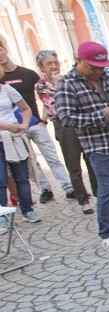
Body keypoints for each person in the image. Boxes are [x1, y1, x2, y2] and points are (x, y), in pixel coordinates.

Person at [55, 41, 109, 253]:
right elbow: (66, 118)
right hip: (98, 146)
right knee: (108, 190)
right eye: (94, 67)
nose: (99, 71)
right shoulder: (67, 83)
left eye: (102, 67)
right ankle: (107, 233)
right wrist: (102, 115)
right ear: (79, 61)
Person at [0, 37, 73, 204]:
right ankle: (45, 189)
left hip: (35, 123)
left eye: (0, 50)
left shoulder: (27, 73)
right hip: (14, 127)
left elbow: (44, 94)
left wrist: (43, 119)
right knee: (32, 162)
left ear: (5, 50)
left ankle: (68, 187)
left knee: (52, 157)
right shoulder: (1, 79)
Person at [34, 49, 95, 215]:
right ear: (42, 67)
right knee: (73, 164)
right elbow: (55, 108)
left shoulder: (68, 79)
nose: (54, 66)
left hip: (80, 122)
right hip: (64, 126)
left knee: (91, 159)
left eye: (55, 62)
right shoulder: (41, 85)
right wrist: (59, 85)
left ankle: (98, 193)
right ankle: (83, 200)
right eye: (49, 64)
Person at [0, 77, 39, 225]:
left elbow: (26, 108)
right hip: (5, 134)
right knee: (1, 179)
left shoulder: (7, 89)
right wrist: (7, 126)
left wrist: (25, 124)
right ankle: (2, 215)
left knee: (21, 177)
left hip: (13, 138)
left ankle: (27, 210)